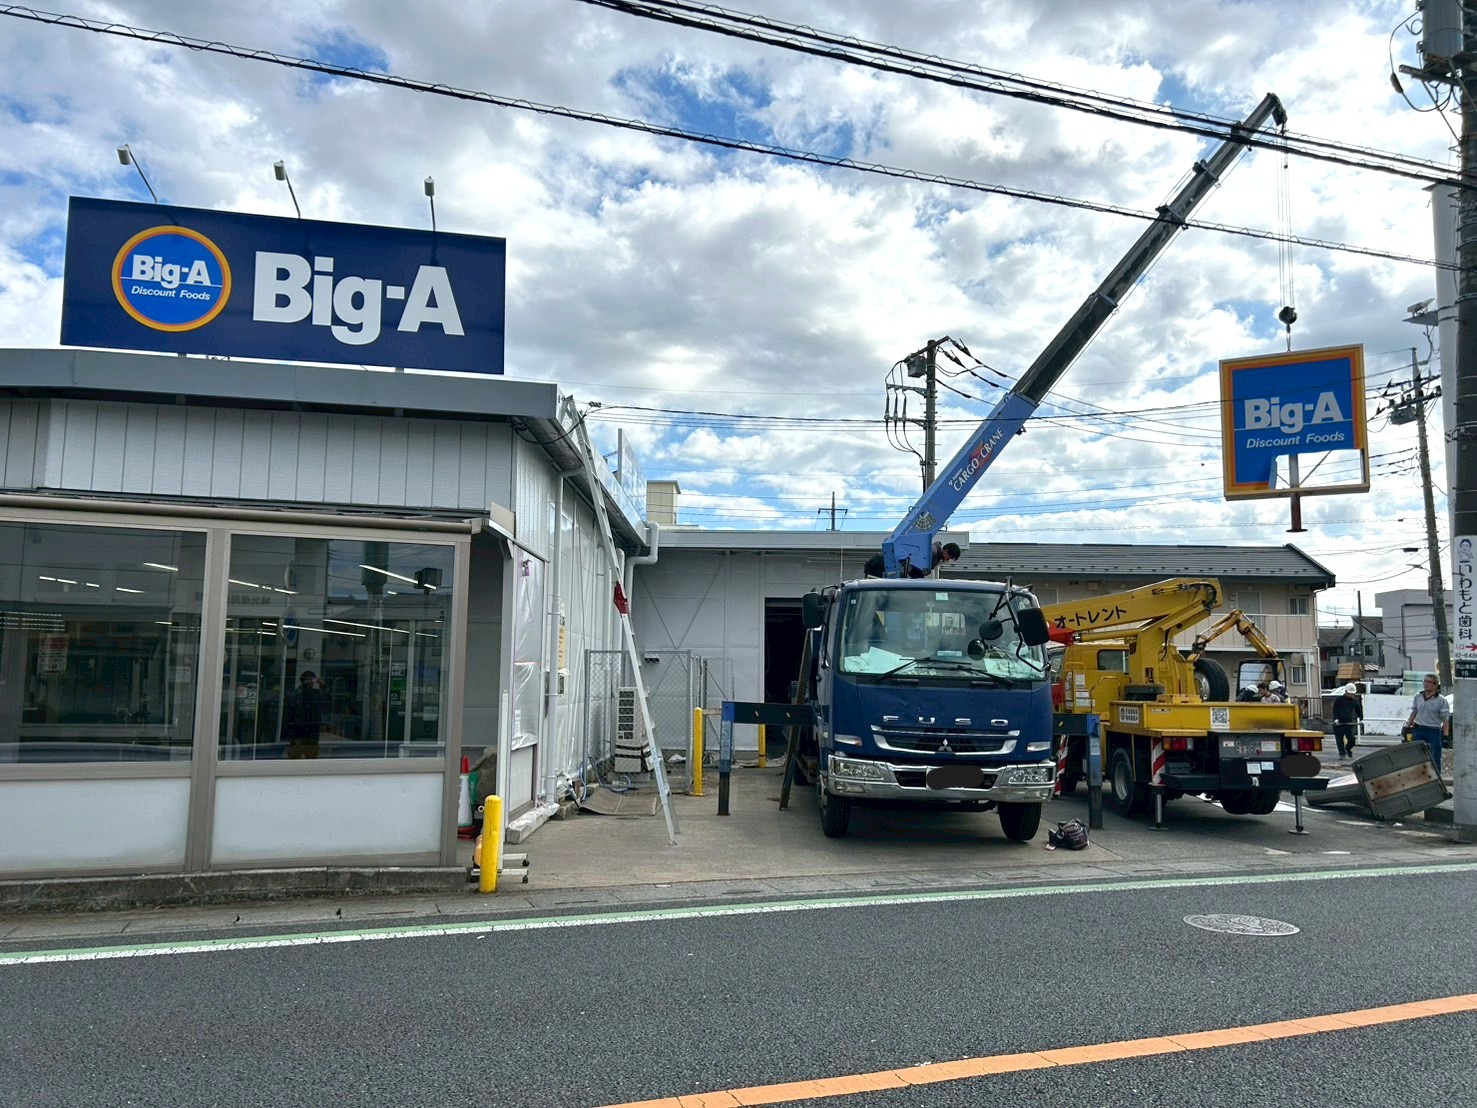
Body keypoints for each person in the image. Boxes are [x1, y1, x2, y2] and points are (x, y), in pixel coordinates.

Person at [1403, 673, 1451, 773]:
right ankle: (1417, 777)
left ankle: (1436, 779)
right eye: (1424, 681)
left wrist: (1445, 735)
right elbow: (1414, 711)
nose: (1425, 684)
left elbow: (1445, 718)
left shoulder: (1441, 700)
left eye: (1429, 682)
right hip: (1418, 729)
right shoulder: (1418, 696)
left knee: (1434, 756)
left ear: (1435, 685)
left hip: (1433, 731)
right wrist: (1408, 726)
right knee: (1416, 756)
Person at [284, 670, 329, 759]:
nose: (311, 682)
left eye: (312, 680)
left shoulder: (316, 693)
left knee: (311, 756)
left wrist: (321, 683)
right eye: (309, 680)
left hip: (312, 728)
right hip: (299, 728)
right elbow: (291, 707)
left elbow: (327, 696)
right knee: (295, 755)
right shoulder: (297, 693)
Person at [863, 541, 961, 579]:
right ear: (946, 551)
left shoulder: (935, 556)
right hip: (880, 564)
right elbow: (908, 561)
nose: (949, 560)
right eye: (951, 558)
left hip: (882, 563)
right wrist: (916, 575)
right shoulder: (932, 551)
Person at [1331, 682, 1363, 760]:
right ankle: (1342, 753)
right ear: (1346, 692)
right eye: (1350, 694)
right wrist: (1336, 719)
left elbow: (1359, 711)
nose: (1351, 695)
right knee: (1339, 739)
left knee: (1352, 739)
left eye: (1353, 694)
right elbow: (1335, 710)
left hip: (1349, 722)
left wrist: (1361, 719)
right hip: (1339, 722)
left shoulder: (1354, 701)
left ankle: (1348, 748)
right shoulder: (1339, 700)